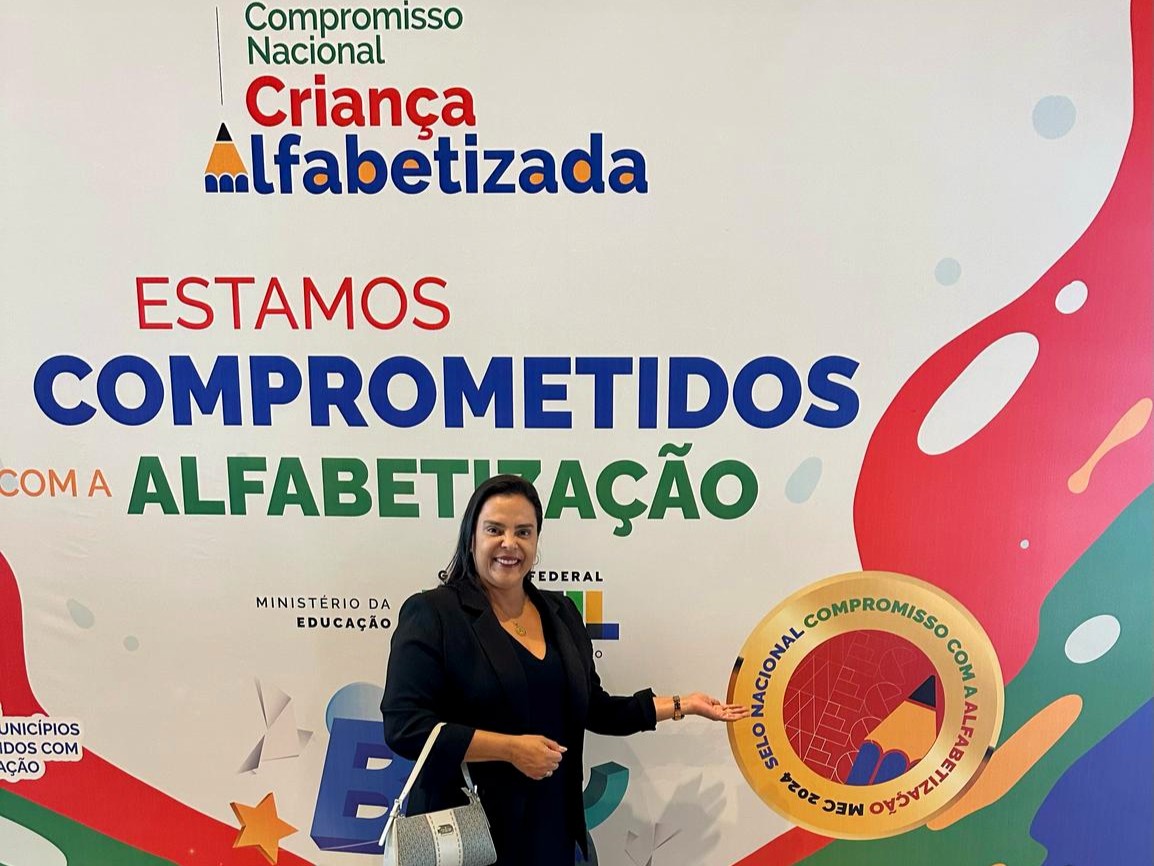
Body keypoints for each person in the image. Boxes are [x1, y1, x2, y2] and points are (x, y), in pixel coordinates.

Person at [381, 474, 747, 865]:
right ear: (471, 538)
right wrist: (511, 749)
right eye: (495, 530)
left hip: (552, 829)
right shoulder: (434, 613)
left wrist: (681, 704)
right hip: (469, 836)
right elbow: (405, 728)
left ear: (536, 541)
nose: (510, 543)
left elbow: (594, 708)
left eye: (524, 532)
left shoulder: (561, 612)